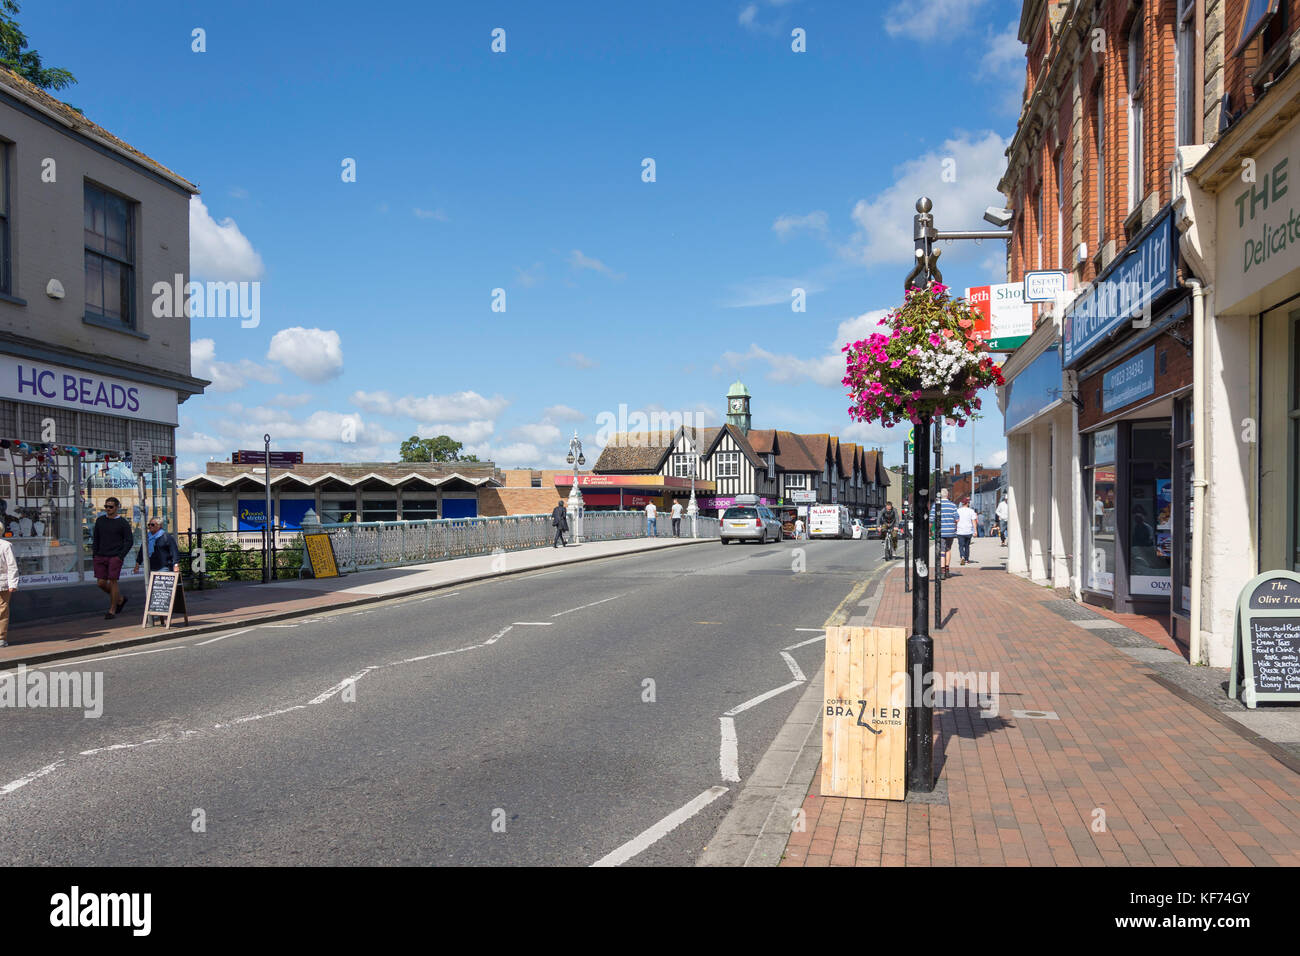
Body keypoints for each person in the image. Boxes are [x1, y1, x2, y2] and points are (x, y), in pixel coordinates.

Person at [93, 497, 134, 619]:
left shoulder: (122, 523)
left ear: (117, 507)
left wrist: (120, 556)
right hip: (100, 556)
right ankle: (120, 599)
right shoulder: (100, 521)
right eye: (106, 507)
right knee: (100, 583)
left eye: (110, 507)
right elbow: (96, 538)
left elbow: (129, 541)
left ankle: (112, 610)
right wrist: (95, 554)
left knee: (113, 581)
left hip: (115, 557)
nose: (108, 509)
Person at [929, 488, 958, 579]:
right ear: (947, 495)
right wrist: (954, 526)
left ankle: (942, 572)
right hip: (950, 531)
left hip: (941, 531)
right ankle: (947, 570)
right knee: (948, 549)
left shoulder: (936, 505)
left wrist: (929, 530)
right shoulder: (953, 505)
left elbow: (931, 519)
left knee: (941, 551)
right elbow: (957, 518)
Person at [0, 533, 17, 647]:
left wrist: (13, 584)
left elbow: (12, 565)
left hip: (2, 583)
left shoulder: (6, 545)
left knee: (2, 610)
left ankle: (1, 637)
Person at [955, 496, 979, 566]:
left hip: (960, 531)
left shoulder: (958, 511)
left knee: (961, 546)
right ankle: (967, 559)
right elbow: (974, 521)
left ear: (962, 503)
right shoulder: (971, 511)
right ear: (967, 503)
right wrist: (975, 531)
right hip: (968, 531)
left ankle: (962, 556)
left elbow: (956, 521)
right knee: (967, 546)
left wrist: (955, 528)